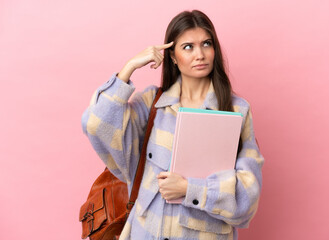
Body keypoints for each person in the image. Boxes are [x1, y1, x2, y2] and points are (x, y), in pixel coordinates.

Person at [82, 9, 264, 240]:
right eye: (188, 47)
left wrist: (190, 189)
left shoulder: (236, 110)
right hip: (145, 233)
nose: (200, 54)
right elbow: (96, 123)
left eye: (206, 44)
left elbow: (248, 195)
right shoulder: (151, 104)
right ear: (173, 57)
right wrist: (128, 68)